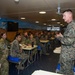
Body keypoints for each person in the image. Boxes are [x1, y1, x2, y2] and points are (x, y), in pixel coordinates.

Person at [55, 9, 75, 75]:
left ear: (70, 15)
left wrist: (59, 37)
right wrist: (63, 36)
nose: (63, 17)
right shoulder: (70, 25)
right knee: (64, 70)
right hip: (67, 54)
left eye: (64, 15)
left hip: (68, 55)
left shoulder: (72, 26)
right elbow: (70, 38)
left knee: (68, 72)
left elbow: (69, 41)